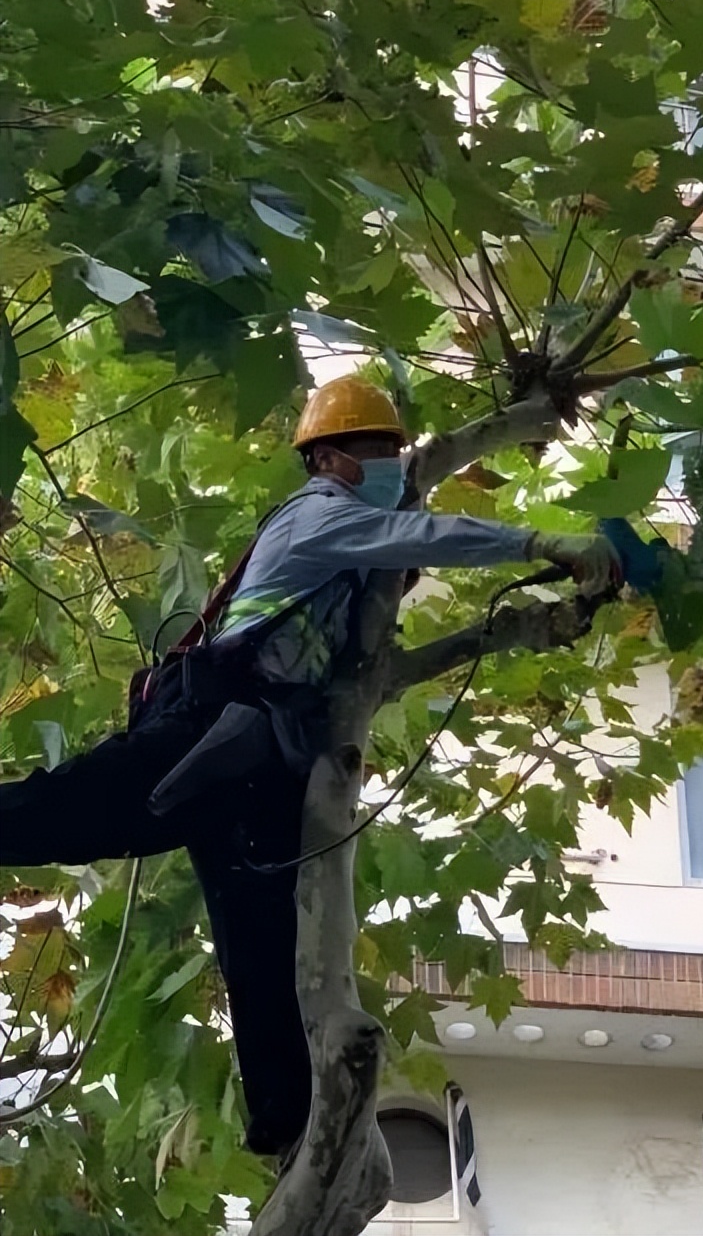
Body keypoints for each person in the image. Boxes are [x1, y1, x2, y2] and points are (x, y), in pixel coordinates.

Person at [0, 376, 619, 1155]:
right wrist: (539, 544)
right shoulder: (316, 515)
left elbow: (377, 599)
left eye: (396, 450)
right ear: (329, 459)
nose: (390, 462)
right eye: (376, 449)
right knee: (71, 807)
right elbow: (421, 536)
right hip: (215, 721)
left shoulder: (355, 553)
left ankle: (287, 1128)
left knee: (263, 950)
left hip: (263, 764)